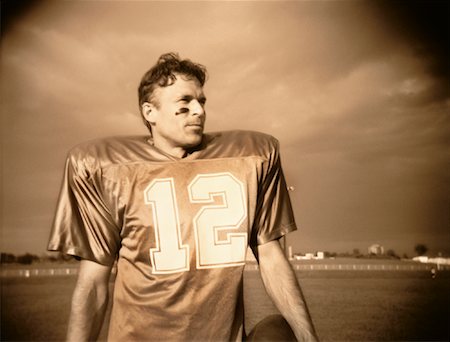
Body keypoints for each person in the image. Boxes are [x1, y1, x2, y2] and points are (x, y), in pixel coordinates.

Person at [48, 52, 318, 342]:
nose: (199, 111)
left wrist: (308, 337)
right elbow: (93, 283)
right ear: (149, 112)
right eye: (185, 102)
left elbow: (271, 257)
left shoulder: (252, 157)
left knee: (276, 332)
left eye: (201, 101)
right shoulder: (106, 169)